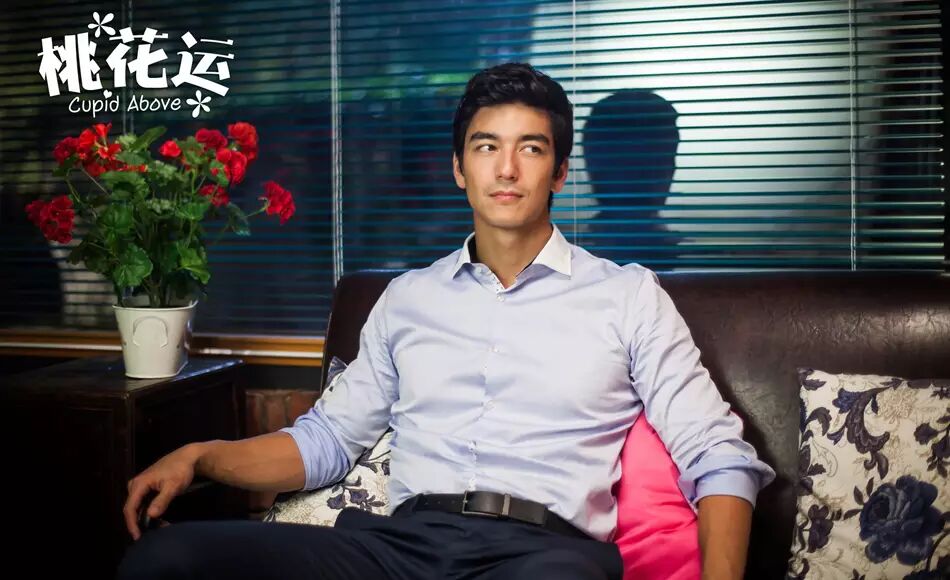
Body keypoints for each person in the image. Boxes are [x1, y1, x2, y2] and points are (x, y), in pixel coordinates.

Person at [118, 62, 775, 580]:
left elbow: (717, 457)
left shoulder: (627, 295)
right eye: (487, 146)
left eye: (531, 148)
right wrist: (201, 457)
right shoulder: (407, 298)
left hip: (544, 555)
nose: (507, 168)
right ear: (461, 168)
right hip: (401, 548)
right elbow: (325, 443)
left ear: (559, 172)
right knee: (165, 560)